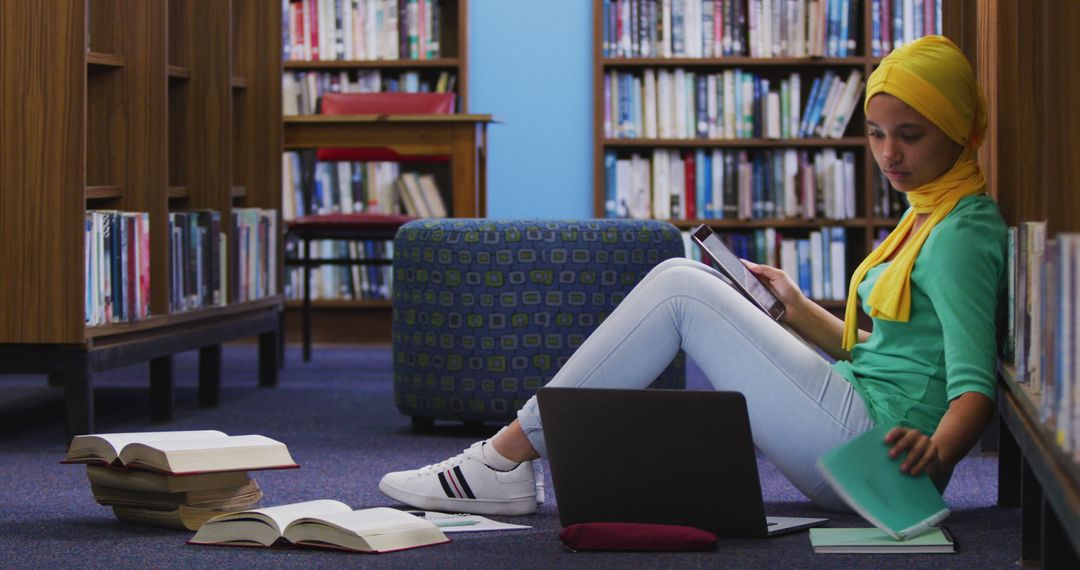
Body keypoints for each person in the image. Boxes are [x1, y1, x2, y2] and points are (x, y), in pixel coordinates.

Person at [379, 35, 1007, 517]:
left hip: (879, 456)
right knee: (681, 278)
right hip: (864, 416)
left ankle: (502, 460)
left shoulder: (961, 233)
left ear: (958, 131)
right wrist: (797, 309)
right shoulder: (932, 209)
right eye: (875, 134)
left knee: (681, 285)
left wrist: (928, 472)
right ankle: (505, 458)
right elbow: (902, 357)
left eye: (911, 136)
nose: (890, 154)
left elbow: (973, 389)